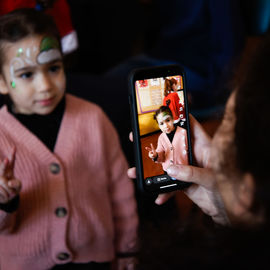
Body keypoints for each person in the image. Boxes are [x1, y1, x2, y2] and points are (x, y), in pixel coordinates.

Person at [0, 8, 138, 270]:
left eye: (53, 68)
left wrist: (127, 249)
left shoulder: (93, 119)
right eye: (27, 74)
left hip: (95, 259)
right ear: (2, 82)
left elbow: (120, 191)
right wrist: (4, 201)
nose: (45, 86)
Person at [145, 106, 188, 173]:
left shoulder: (183, 132)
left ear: (173, 118)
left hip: (184, 169)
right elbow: (161, 156)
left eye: (168, 120)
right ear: (158, 126)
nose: (166, 126)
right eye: (161, 124)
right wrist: (155, 155)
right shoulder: (161, 138)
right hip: (168, 170)